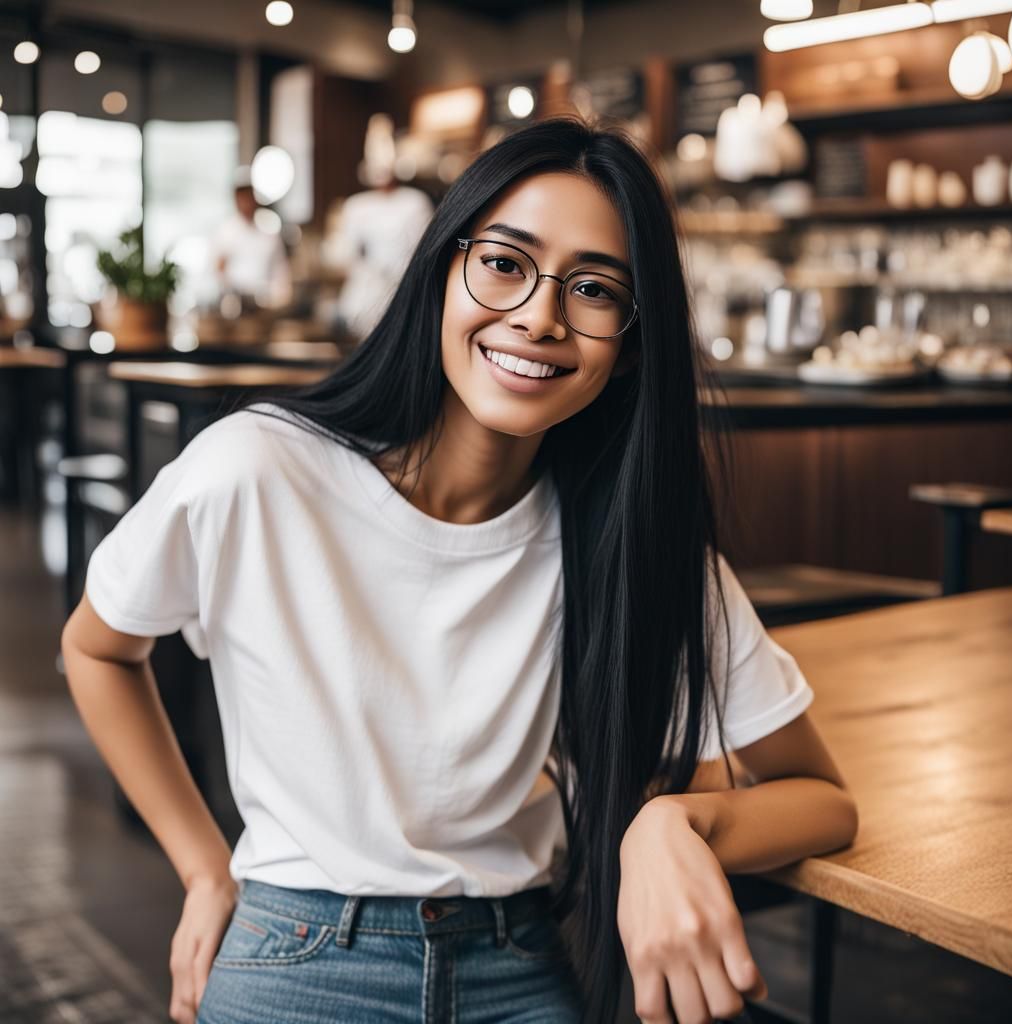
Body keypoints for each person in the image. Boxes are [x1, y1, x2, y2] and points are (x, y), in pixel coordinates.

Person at [60, 119, 858, 1024]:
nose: (540, 317)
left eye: (594, 289)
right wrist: (205, 870)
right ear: (443, 268)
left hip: (521, 962)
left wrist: (674, 822)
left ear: (630, 345)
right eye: (506, 264)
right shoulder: (256, 469)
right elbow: (97, 649)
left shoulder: (628, 539)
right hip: (298, 954)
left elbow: (823, 800)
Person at [322, 114, 433, 341]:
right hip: (364, 297)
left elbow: (425, 251)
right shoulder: (356, 206)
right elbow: (344, 254)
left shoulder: (415, 203)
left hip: (403, 292)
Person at [209, 173, 292, 310]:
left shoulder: (269, 229)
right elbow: (219, 270)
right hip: (237, 304)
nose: (246, 203)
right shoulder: (226, 232)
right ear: (236, 200)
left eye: (248, 197)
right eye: (242, 198)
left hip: (267, 302)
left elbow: (280, 268)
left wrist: (281, 295)